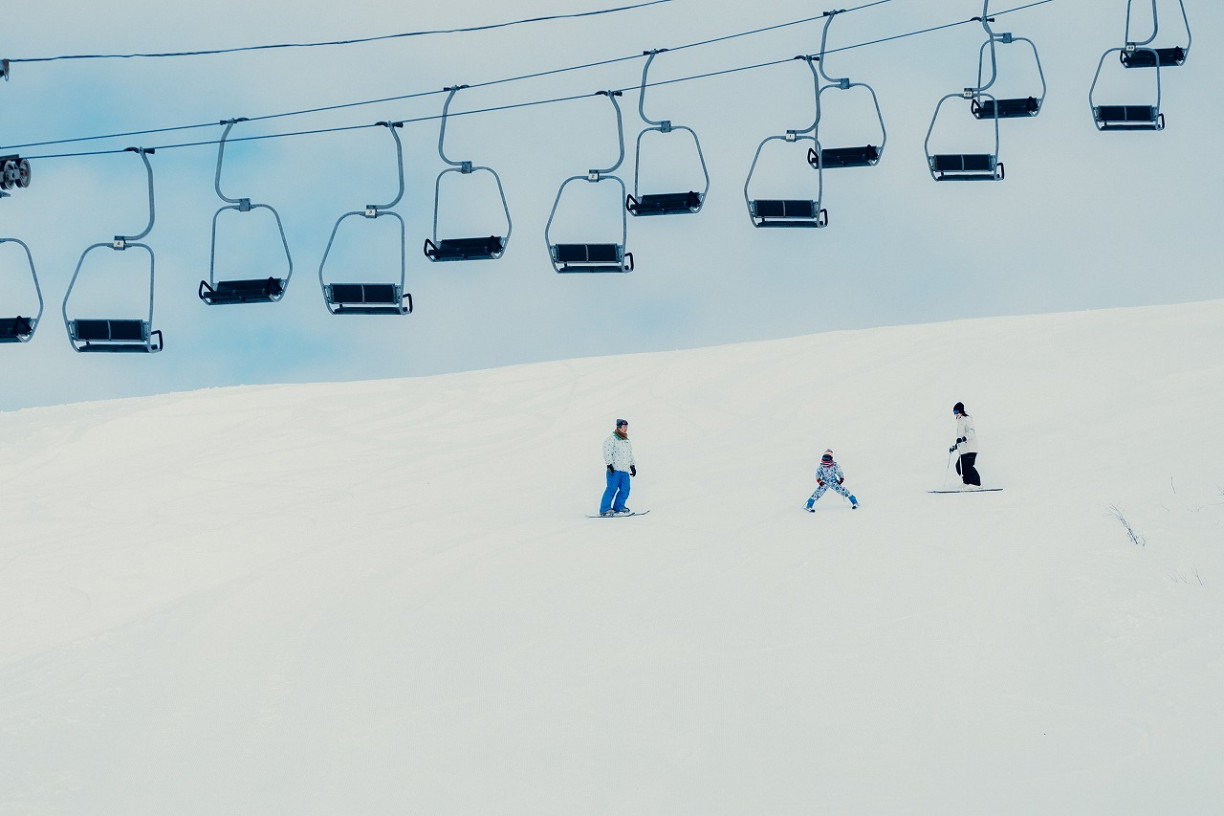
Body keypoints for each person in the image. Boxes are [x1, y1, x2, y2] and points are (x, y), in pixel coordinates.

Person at [599, 418, 637, 516]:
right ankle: (605, 509)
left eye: (626, 426)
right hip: (614, 469)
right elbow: (607, 451)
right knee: (611, 488)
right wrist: (609, 464)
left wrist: (632, 465)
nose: (626, 428)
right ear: (619, 427)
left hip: (624, 470)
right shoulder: (612, 439)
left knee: (625, 489)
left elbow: (629, 454)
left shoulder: (627, 441)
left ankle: (619, 507)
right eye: (624, 426)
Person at [950, 402, 981, 487]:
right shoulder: (960, 422)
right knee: (959, 467)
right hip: (963, 450)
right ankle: (967, 482)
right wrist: (955, 447)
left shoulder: (967, 419)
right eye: (954, 412)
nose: (955, 414)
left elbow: (971, 432)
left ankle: (976, 484)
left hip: (970, 448)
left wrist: (964, 438)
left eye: (956, 411)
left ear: (960, 411)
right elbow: (960, 439)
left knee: (968, 467)